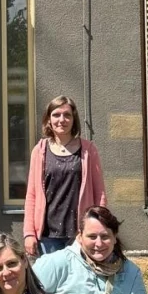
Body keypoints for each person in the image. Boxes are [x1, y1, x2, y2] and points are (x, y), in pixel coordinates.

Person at [23, 96, 106, 256]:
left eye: (67, 115)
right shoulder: (39, 151)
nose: (62, 120)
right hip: (48, 234)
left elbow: (99, 193)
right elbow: (32, 195)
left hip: (81, 233)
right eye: (56, 115)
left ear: (74, 119)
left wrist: (100, 226)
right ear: (48, 119)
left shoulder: (88, 150)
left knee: (81, 279)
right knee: (51, 280)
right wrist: (29, 233)